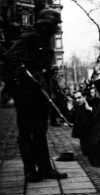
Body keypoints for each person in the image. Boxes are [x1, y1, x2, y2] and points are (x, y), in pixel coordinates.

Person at [2, 8, 67, 182]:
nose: (56, 29)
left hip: (40, 94)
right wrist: (20, 83)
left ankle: (45, 168)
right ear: (45, 25)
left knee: (40, 132)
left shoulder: (46, 41)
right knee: (26, 132)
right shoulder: (29, 38)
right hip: (26, 94)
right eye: (54, 25)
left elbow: (41, 67)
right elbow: (9, 60)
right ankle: (30, 170)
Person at [70, 90, 92, 156]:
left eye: (79, 97)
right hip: (81, 130)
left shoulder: (88, 105)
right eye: (75, 98)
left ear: (84, 97)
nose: (77, 100)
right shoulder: (77, 106)